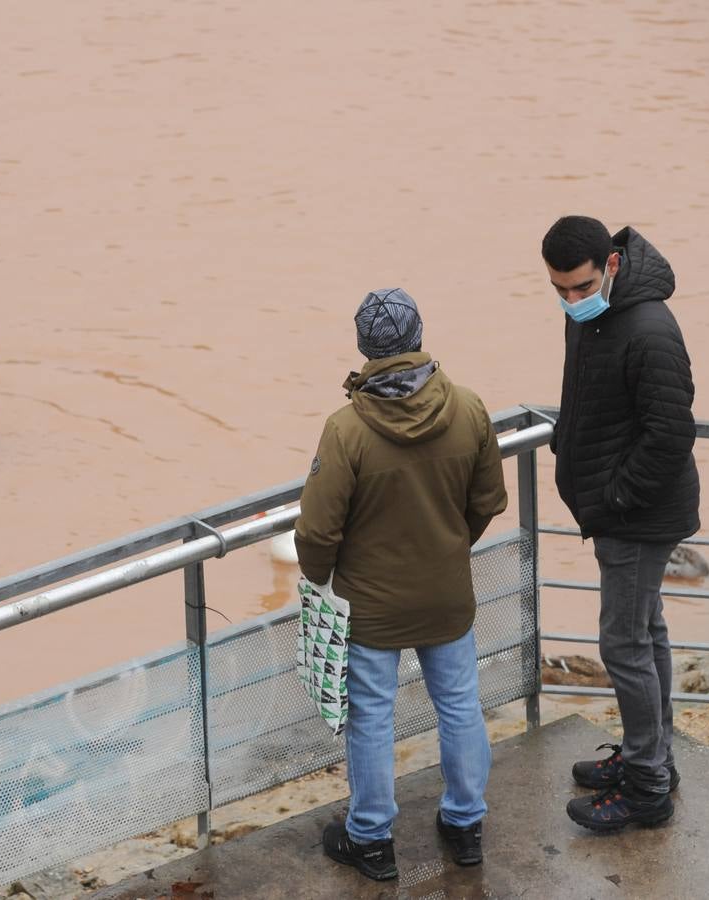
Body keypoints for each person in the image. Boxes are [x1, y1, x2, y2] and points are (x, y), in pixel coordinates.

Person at [295, 288, 508, 879]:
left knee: (372, 719)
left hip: (371, 607)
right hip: (446, 595)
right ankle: (465, 825)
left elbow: (316, 532)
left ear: (364, 349)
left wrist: (320, 587)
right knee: (461, 707)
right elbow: (489, 500)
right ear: (419, 337)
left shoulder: (346, 430)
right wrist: (450, 545)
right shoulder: (469, 409)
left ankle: (371, 839)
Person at [540, 215, 700, 831]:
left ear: (610, 265)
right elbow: (587, 392)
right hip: (622, 508)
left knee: (622, 644)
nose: (571, 300)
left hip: (638, 514)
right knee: (646, 632)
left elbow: (671, 435)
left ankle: (646, 788)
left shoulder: (650, 328)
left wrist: (612, 499)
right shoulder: (596, 314)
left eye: (580, 288)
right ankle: (652, 757)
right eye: (559, 290)